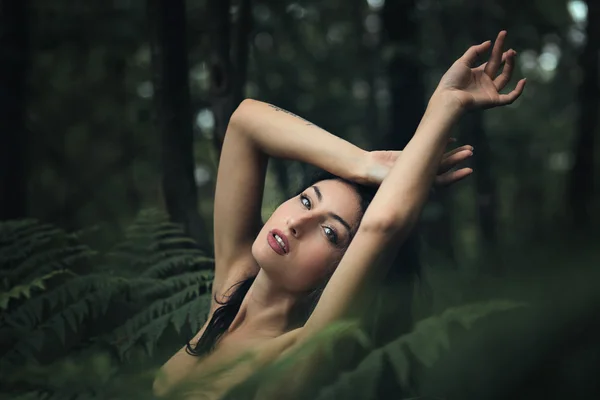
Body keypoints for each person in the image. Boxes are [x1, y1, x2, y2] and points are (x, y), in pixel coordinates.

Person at [153, 31, 526, 399]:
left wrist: (446, 104)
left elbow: (383, 225)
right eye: (305, 201)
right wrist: (364, 164)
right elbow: (246, 122)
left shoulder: (302, 352)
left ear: (340, 272)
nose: (299, 223)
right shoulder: (229, 293)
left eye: (330, 233)